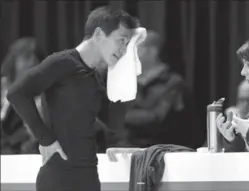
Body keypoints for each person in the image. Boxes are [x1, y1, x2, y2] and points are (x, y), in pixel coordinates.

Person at [6, 6, 140, 191]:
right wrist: (45, 138)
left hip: (89, 177)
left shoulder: (94, 77)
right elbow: (17, 93)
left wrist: (126, 71)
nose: (124, 50)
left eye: (127, 44)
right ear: (99, 34)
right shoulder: (62, 62)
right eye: (121, 40)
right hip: (59, 178)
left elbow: (114, 123)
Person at [113, 30, 204, 149]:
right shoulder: (128, 83)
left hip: (161, 154)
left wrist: (119, 118)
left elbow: (158, 119)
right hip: (127, 152)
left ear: (152, 52)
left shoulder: (174, 83)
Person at [1, 37, 46, 154]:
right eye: (26, 58)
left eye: (34, 66)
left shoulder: (43, 93)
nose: (30, 64)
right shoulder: (4, 86)